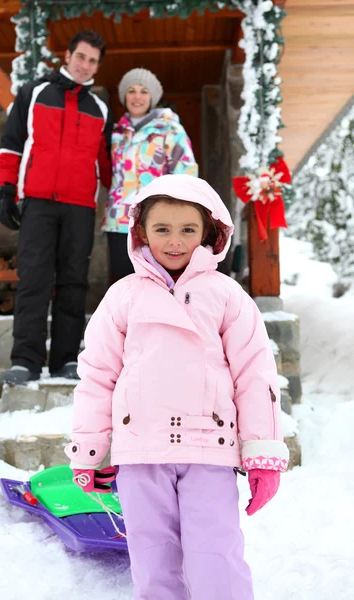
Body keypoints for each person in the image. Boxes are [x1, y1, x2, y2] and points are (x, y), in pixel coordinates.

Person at [65, 174, 290, 600]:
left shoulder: (227, 296)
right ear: (141, 233)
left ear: (208, 232)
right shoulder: (122, 297)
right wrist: (90, 450)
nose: (174, 241)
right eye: (162, 229)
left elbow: (254, 375)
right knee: (153, 562)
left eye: (188, 229)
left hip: (208, 450)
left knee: (214, 557)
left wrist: (261, 451)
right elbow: (97, 375)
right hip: (141, 450)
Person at [0, 30, 113, 385]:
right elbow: (12, 143)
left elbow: (107, 164)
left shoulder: (100, 109)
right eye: (81, 57)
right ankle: (25, 361)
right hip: (39, 202)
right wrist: (4, 189)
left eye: (92, 61)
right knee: (33, 278)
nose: (85, 65)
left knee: (74, 281)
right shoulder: (34, 93)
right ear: (67, 55)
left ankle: (65, 359)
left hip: (80, 206)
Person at [102, 68, 198, 282]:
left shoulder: (170, 130)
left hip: (157, 219)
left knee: (157, 281)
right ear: (124, 97)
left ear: (152, 97)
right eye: (132, 91)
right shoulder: (116, 134)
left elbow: (187, 174)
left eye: (144, 91)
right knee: (124, 281)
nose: (137, 97)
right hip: (119, 221)